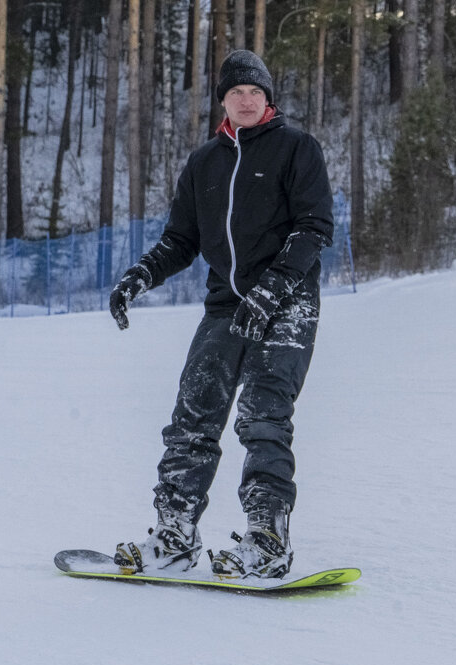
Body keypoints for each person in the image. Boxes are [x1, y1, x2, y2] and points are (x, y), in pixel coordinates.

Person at [107, 50, 334, 580]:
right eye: (237, 93)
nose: (247, 100)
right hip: (225, 304)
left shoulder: (297, 149)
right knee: (193, 416)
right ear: (224, 102)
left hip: (288, 299)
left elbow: (313, 228)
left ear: (268, 98)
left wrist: (272, 290)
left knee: (263, 417)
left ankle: (267, 540)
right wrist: (140, 275)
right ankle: (175, 533)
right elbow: (181, 239)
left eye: (256, 92)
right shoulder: (203, 162)